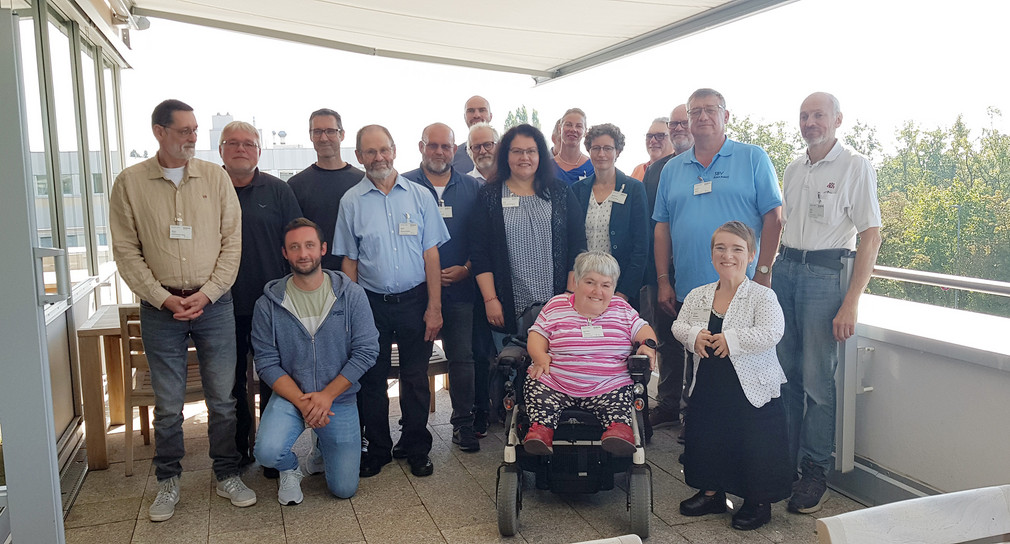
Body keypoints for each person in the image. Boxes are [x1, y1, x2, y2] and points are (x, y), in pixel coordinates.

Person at [109, 99, 256, 522]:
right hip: (161, 309)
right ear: (159, 131)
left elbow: (233, 243)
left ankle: (227, 474)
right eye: (184, 130)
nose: (193, 137)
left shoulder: (215, 177)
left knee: (224, 399)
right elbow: (125, 250)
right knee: (169, 404)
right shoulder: (130, 183)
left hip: (214, 305)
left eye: (195, 130)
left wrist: (208, 293)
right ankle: (168, 482)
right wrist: (163, 297)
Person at [773, 92, 882, 514]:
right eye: (804, 116)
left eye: (818, 115)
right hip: (787, 271)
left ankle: (815, 472)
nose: (810, 122)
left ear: (837, 119)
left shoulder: (855, 165)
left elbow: (870, 234)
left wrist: (851, 301)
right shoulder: (794, 167)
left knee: (819, 380)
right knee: (784, 376)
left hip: (824, 277)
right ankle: (783, 465)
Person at [333, 125, 450, 478]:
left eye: (383, 150)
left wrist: (435, 307)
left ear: (395, 150)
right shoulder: (351, 201)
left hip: (416, 302)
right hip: (370, 304)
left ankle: (415, 447)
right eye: (370, 152)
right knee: (372, 379)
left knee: (415, 378)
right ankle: (379, 448)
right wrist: (351, 314)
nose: (378, 157)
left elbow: (432, 256)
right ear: (359, 157)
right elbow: (349, 262)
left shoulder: (419, 196)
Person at [672, 221, 791, 531]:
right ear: (712, 254)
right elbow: (678, 325)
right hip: (710, 385)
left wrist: (732, 340)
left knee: (753, 443)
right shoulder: (699, 295)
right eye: (720, 248)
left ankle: (757, 501)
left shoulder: (762, 296)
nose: (728, 255)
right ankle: (712, 493)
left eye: (737, 249)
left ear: (751, 255)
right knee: (708, 437)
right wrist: (695, 336)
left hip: (752, 388)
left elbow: (772, 332)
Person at [252, 218, 379, 505]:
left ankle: (322, 446)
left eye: (309, 245)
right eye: (294, 247)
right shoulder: (268, 304)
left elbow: (367, 350)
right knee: (267, 452)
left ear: (322, 249)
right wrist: (305, 402)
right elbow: (267, 363)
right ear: (285, 253)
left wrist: (326, 396)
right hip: (291, 397)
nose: (303, 253)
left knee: (344, 489)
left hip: (339, 399)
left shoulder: (351, 295)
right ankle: (290, 469)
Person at [218, 120, 302, 468]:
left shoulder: (278, 190)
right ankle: (238, 452)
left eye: (248, 143)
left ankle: (272, 453)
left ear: (259, 151)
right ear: (221, 149)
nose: (241, 149)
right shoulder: (208, 189)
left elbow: (296, 242)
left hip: (273, 305)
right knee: (231, 385)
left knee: (274, 381)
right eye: (232, 143)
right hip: (222, 305)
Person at [522, 251, 658, 457]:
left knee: (622, 394)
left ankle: (619, 431)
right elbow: (537, 333)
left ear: (614, 287)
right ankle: (541, 430)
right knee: (536, 383)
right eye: (590, 282)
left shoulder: (621, 308)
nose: (598, 291)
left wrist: (648, 346)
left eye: (606, 285)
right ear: (576, 281)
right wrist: (540, 356)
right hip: (557, 381)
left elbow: (644, 330)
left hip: (608, 384)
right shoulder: (556, 305)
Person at [403, 123, 482, 452]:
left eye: (445, 146)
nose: (439, 152)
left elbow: (483, 242)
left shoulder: (472, 188)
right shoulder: (403, 185)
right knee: (415, 363)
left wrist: (466, 269)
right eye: (432, 146)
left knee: (462, 359)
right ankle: (412, 431)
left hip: (460, 291)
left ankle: (463, 424)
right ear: (421, 147)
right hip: (416, 293)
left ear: (455, 150)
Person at [470, 123, 587, 338]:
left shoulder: (560, 192)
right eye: (517, 151)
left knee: (553, 366)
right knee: (511, 367)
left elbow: (577, 245)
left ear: (540, 155)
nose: (525, 157)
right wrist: (491, 299)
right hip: (506, 304)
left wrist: (570, 295)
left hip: (558, 303)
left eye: (531, 151)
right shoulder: (490, 195)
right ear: (506, 155)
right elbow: (480, 252)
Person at [642, 105, 694, 432]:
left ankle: (694, 412)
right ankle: (669, 403)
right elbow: (652, 224)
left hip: (701, 269)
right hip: (664, 271)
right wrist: (658, 276)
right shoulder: (656, 171)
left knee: (698, 342)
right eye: (673, 124)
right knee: (668, 340)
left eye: (681, 123)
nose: (677, 128)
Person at [571, 124, 649, 304]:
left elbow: (641, 245)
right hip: (584, 283)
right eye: (595, 148)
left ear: (618, 151)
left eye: (607, 148)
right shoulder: (577, 190)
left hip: (619, 285)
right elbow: (573, 239)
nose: (601, 154)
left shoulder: (633, 189)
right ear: (588, 150)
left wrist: (624, 292)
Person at [288, 108, 364, 271]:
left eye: (330, 131)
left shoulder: (363, 182)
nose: (323, 138)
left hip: (361, 275)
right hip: (314, 277)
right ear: (310, 136)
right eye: (317, 132)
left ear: (342, 135)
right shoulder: (296, 185)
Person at [552, 108, 594, 185]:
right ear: (559, 128)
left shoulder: (592, 168)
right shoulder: (547, 166)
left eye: (579, 126)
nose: (573, 129)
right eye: (568, 125)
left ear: (585, 132)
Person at [452, 95, 492, 172]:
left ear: (491, 116)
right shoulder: (453, 156)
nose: (476, 115)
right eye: (471, 111)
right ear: (464, 117)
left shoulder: (507, 152)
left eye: (482, 110)